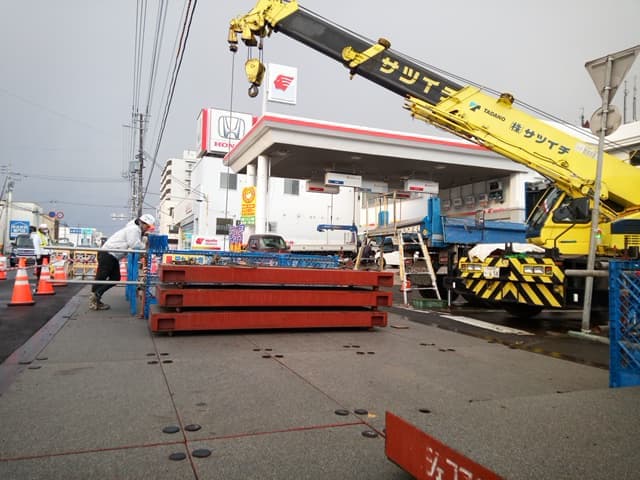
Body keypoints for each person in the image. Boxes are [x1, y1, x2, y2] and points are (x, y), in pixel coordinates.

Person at [89, 214, 155, 311]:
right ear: (143, 223)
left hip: (112, 255)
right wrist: (145, 246)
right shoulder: (134, 229)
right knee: (101, 277)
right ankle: (94, 300)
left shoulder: (135, 228)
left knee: (115, 278)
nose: (148, 229)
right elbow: (134, 244)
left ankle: (96, 296)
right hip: (108, 254)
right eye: (148, 227)